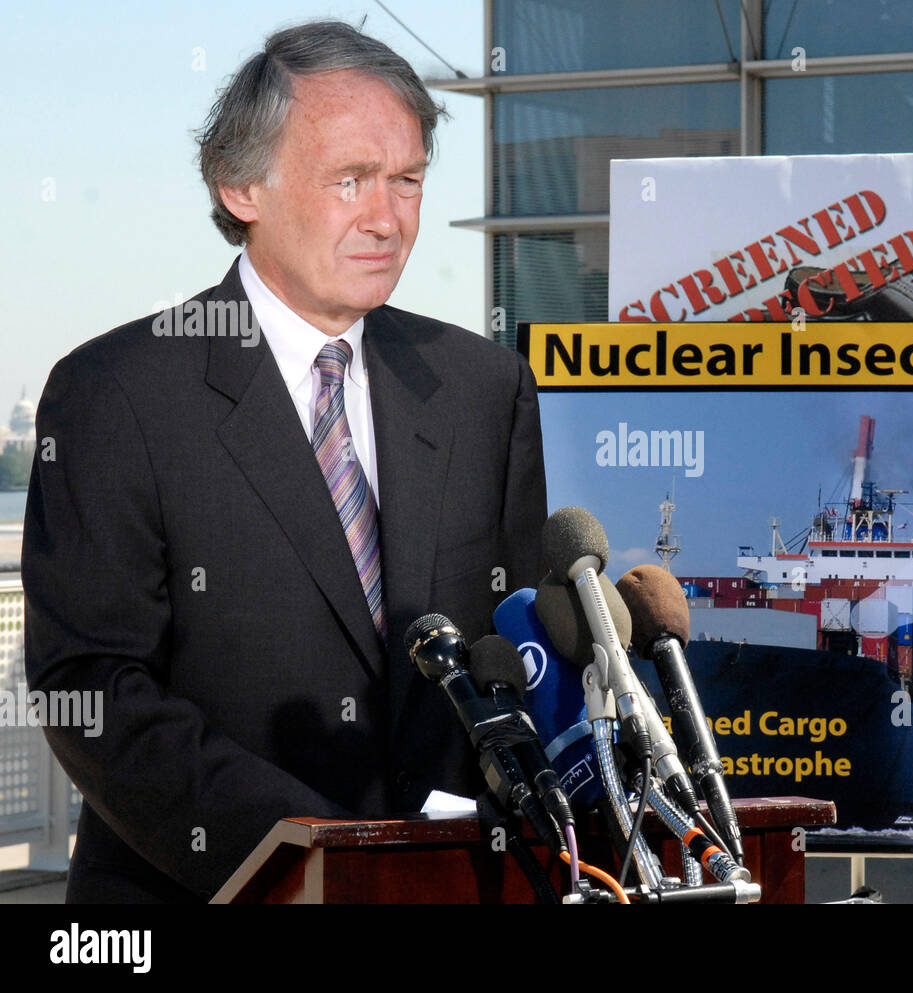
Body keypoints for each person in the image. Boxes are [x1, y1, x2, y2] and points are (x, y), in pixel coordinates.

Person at [22, 21, 546, 903]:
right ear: (241, 184)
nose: (388, 217)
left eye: (408, 180)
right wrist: (318, 863)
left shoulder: (483, 386)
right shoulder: (115, 392)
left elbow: (516, 650)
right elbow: (96, 690)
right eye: (350, 180)